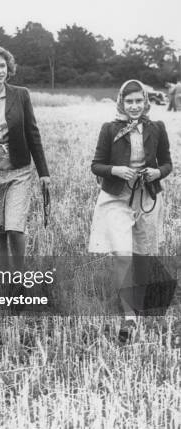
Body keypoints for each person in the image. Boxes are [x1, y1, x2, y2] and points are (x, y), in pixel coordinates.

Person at [88, 79, 172, 342]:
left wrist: (158, 172)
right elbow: (96, 165)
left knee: (143, 255)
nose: (134, 106)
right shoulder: (109, 128)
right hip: (116, 197)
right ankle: (129, 316)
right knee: (123, 255)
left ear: (145, 103)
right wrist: (115, 170)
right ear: (121, 103)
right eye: (129, 101)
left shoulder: (156, 128)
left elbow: (167, 162)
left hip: (147, 196)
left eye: (138, 101)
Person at [0, 44, 51, 279]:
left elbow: (33, 133)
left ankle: (19, 277)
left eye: (3, 66)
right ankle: (5, 279)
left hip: (19, 171)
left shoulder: (21, 94)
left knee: (15, 228)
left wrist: (44, 172)